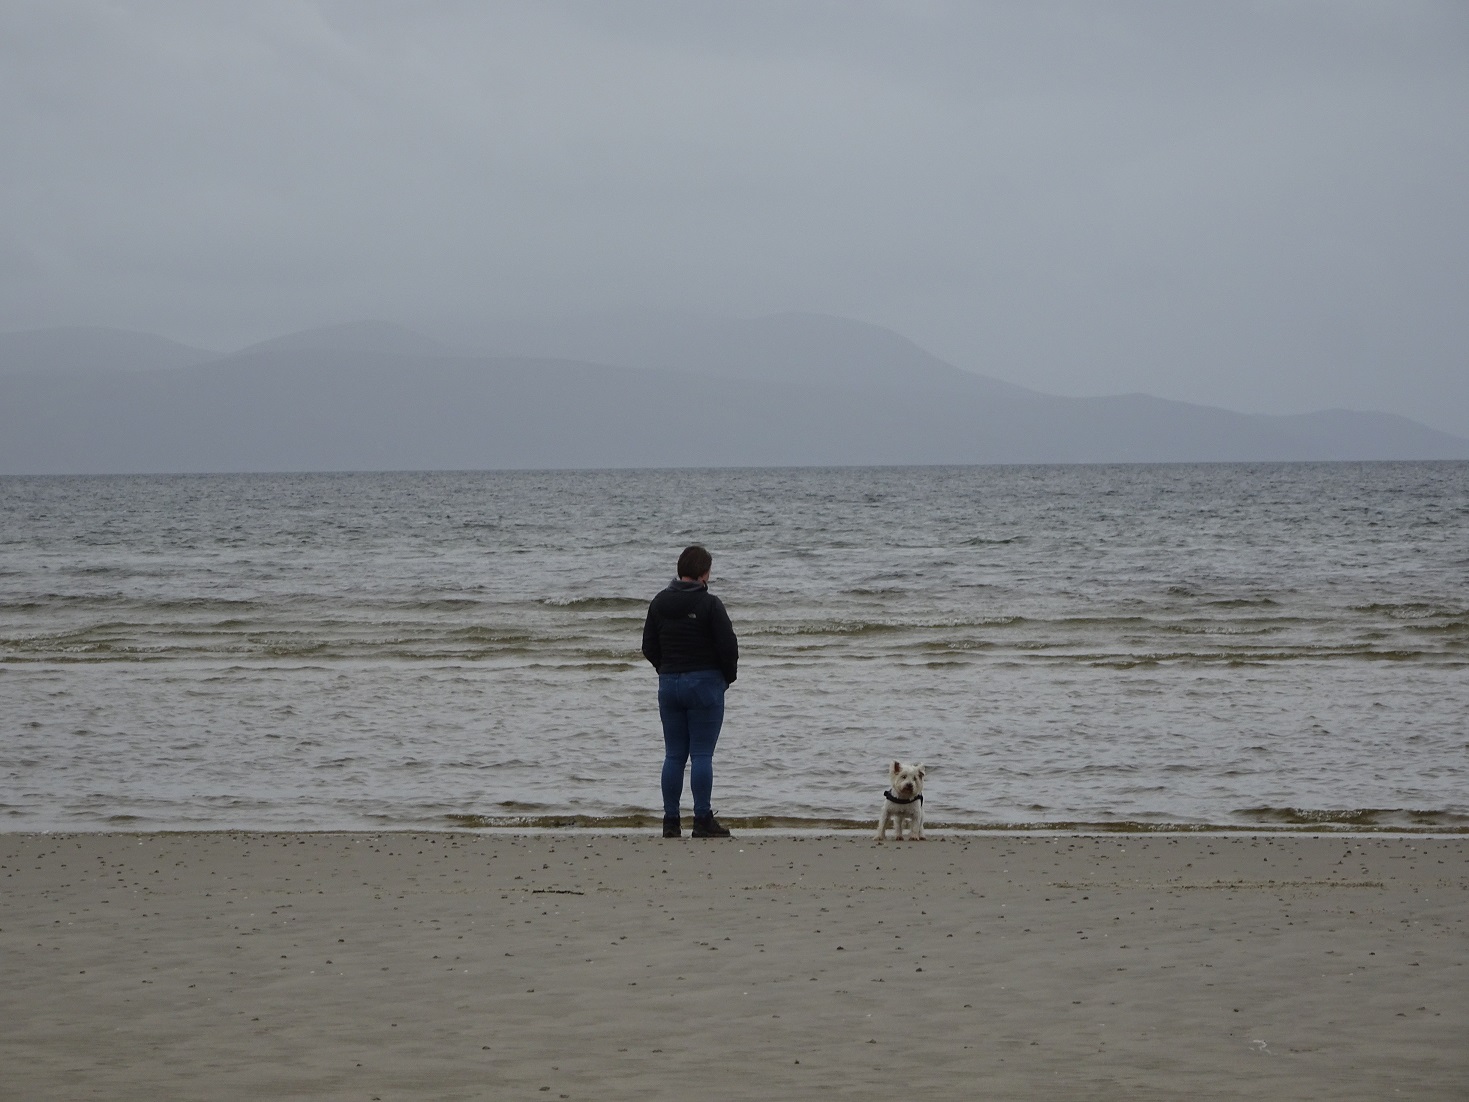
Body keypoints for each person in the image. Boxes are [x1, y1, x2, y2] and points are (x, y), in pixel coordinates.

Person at [641, 544, 738, 838]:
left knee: (673, 756)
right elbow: (728, 647)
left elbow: (648, 646)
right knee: (701, 755)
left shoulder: (659, 602)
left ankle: (670, 821)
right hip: (705, 683)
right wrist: (726, 679)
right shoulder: (710, 604)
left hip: (669, 683)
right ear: (704, 573)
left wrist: (665, 668)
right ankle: (702, 819)